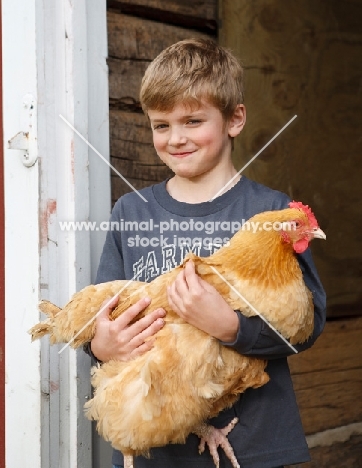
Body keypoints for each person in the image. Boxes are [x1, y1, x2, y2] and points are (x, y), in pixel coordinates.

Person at [88, 38, 326, 468]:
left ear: (235, 119)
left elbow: (308, 326)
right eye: (161, 125)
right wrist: (101, 344)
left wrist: (232, 326)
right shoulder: (131, 211)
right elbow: (103, 310)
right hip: (158, 440)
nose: (175, 138)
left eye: (193, 121)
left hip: (251, 445)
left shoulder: (272, 213)